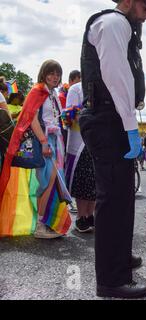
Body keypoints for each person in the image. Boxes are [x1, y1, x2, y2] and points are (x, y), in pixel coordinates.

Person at [78, 0, 146, 299]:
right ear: (129, 2)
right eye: (145, 8)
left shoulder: (123, 26)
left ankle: (120, 257)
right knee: (112, 200)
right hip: (109, 118)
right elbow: (116, 78)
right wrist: (130, 126)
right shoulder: (114, 23)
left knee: (123, 196)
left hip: (113, 118)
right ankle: (110, 280)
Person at [0, 60, 72, 239]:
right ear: (43, 73)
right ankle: (40, 225)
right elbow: (31, 118)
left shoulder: (52, 93)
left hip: (55, 141)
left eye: (57, 74)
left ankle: (46, 222)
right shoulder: (37, 90)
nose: (55, 77)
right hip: (44, 141)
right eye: (51, 73)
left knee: (51, 181)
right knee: (48, 180)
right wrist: (44, 141)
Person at [64, 80, 96, 233]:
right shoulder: (75, 89)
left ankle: (91, 215)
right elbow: (70, 115)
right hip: (80, 142)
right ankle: (81, 217)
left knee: (95, 182)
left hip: (98, 141)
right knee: (82, 181)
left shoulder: (103, 87)